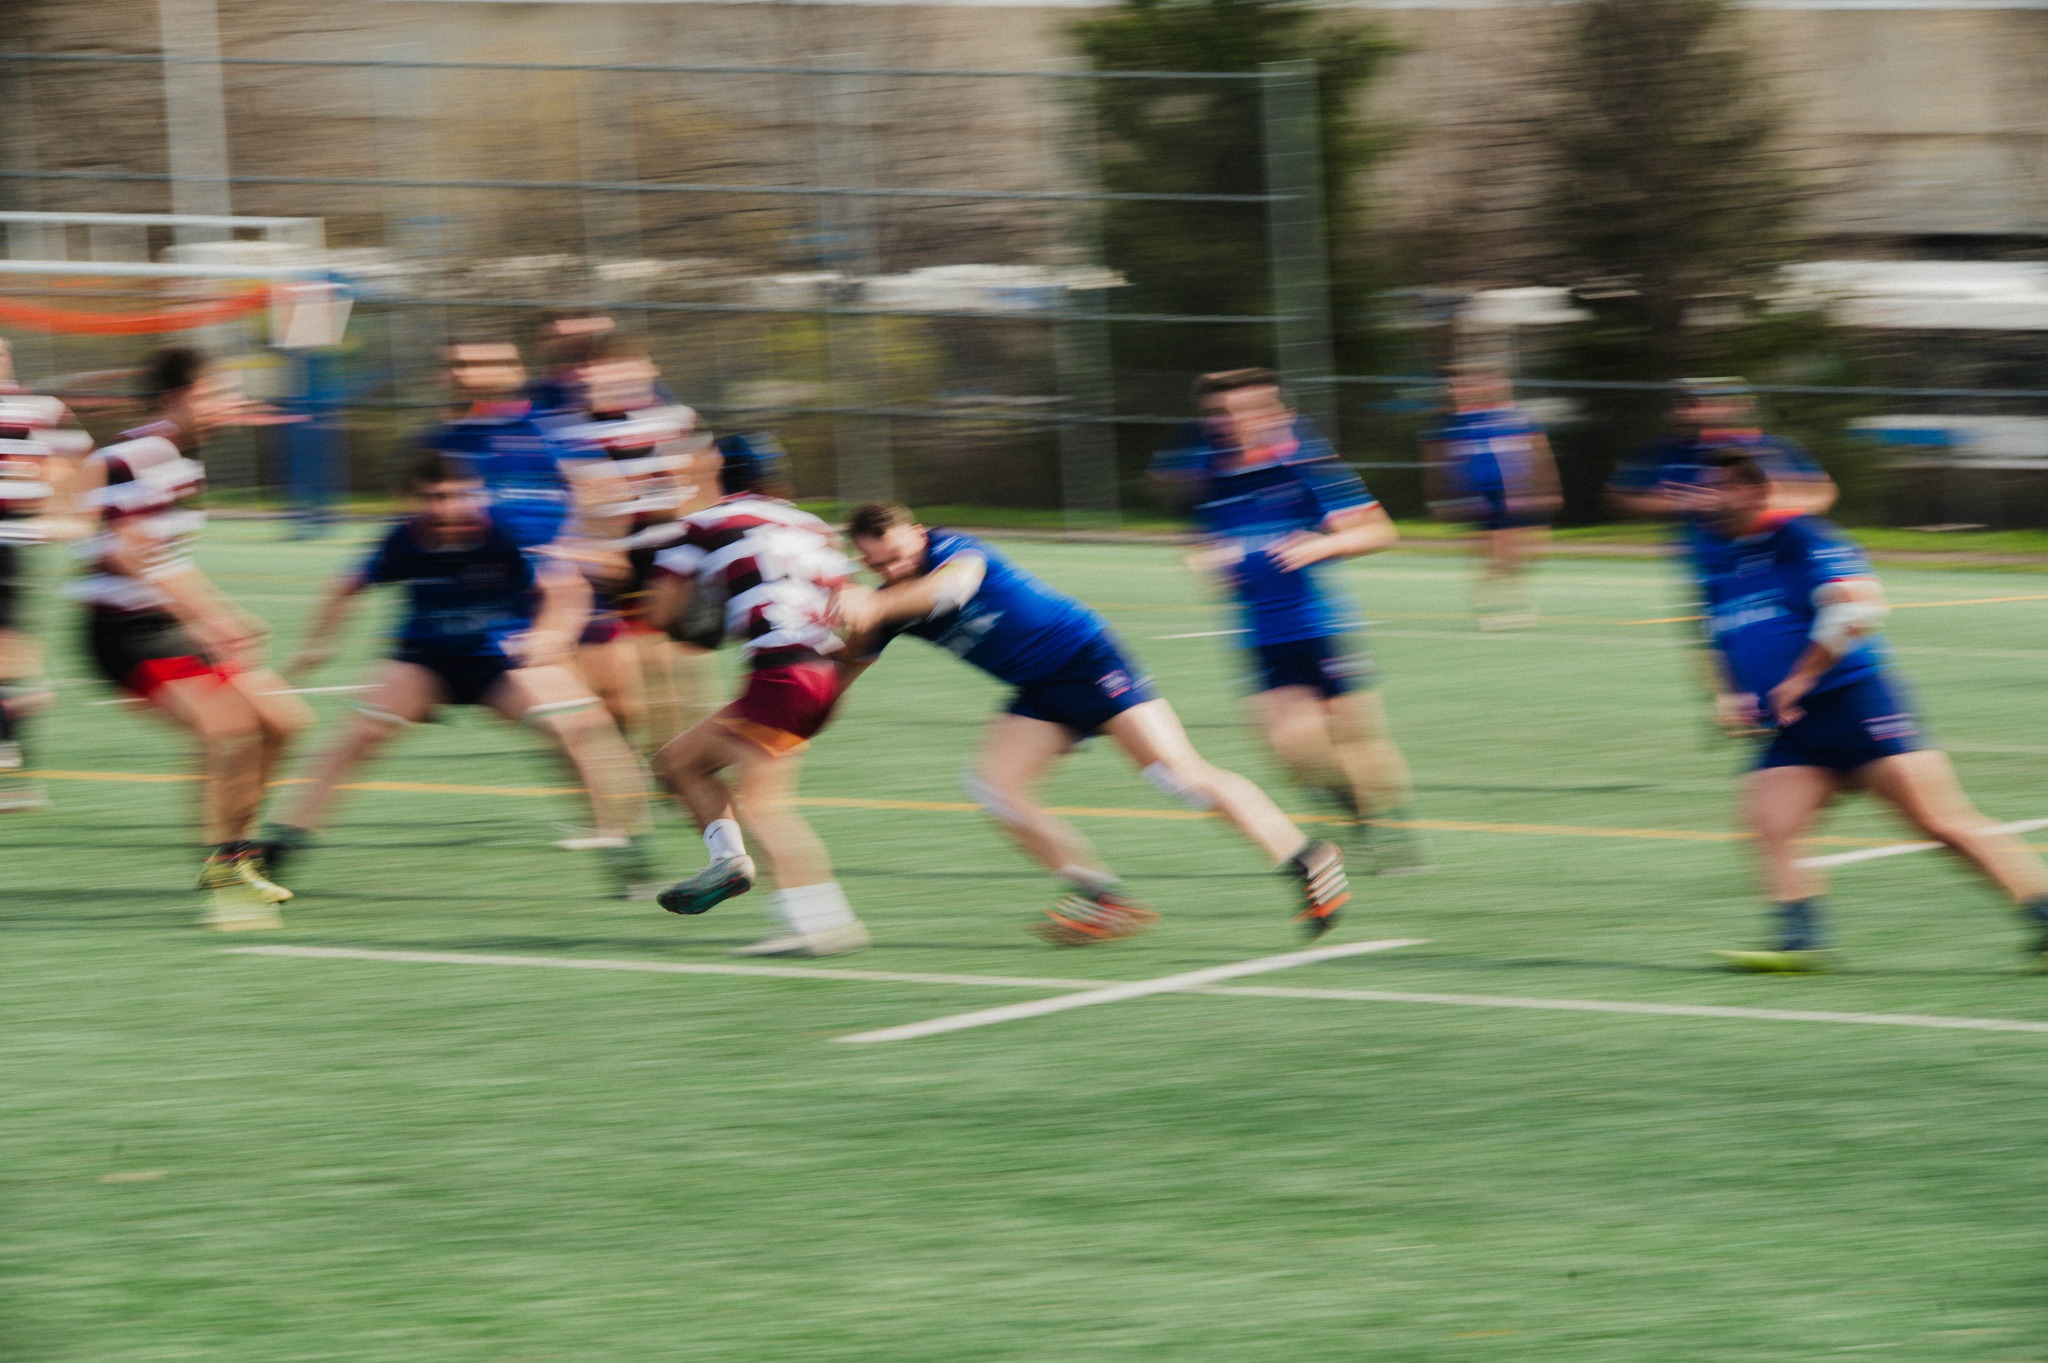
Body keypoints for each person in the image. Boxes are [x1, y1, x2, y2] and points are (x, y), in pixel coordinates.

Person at [841, 499, 1352, 945]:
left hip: (1089, 661)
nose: (895, 568)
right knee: (994, 787)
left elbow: (950, 590)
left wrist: (870, 603)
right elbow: (839, 674)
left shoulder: (953, 549)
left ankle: (1308, 857)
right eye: (879, 565)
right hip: (1042, 691)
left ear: (917, 533)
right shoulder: (885, 603)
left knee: (1181, 776)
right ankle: (1102, 898)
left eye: (901, 555)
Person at [1686, 449, 2048, 972]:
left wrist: (1803, 676)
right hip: (1796, 727)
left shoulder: (1802, 537)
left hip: (1856, 704)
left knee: (1939, 821)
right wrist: (1730, 693)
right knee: (1769, 821)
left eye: (1719, 487)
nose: (1707, 498)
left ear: (1754, 492)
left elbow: (1860, 606)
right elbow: (1720, 635)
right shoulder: (1718, 557)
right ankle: (1801, 942)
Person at [269, 450, 655, 896]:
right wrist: (318, 645)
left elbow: (563, 588)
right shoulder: (405, 539)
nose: (448, 508)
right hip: (425, 659)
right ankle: (282, 850)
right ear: (412, 501)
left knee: (576, 729)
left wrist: (550, 637)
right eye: (434, 497)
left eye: (458, 496)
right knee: (357, 736)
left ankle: (624, 854)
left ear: (475, 495)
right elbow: (346, 586)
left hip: (495, 659)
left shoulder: (497, 535)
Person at [69, 346, 313, 928]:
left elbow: (168, 558)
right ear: (178, 397)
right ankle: (227, 868)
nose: (229, 404)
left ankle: (235, 857)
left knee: (285, 722)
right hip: (125, 632)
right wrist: (210, 622)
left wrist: (225, 614)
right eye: (217, 393)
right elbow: (130, 560)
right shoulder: (141, 457)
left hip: (165, 624)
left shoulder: (182, 460)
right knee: (226, 727)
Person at [1152, 368, 1428, 876]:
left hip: (1319, 626)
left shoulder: (1304, 463)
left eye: (1245, 410)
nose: (1233, 422)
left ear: (1273, 414)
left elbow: (1378, 530)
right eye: (1220, 413)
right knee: (1291, 753)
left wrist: (1323, 544)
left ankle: (1392, 835)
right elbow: (1203, 544)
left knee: (1356, 741)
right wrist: (1206, 562)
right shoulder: (1206, 473)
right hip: (1261, 633)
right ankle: (1359, 811)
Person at [641, 437, 870, 958]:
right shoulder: (813, 528)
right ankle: (728, 861)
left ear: (719, 474)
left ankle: (819, 922)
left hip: (779, 675)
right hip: (825, 674)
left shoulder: (703, 523)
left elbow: (659, 611)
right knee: (678, 762)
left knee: (766, 807)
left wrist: (695, 616)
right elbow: (855, 617)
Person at [549, 335, 722, 759]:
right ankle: (628, 761)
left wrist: (704, 537)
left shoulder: (677, 419)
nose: (591, 377)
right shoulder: (563, 429)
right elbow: (563, 498)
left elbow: (707, 482)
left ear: (641, 369)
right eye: (587, 369)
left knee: (669, 669)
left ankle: (678, 761)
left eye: (605, 366)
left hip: (663, 558)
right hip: (598, 568)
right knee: (613, 693)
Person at [0, 337, 94, 810]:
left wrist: (62, 506)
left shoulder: (36, 406)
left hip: (8, 540)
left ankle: (16, 768)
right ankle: (20, 709)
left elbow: (79, 462)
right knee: (9, 656)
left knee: (7, 652)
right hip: (14, 539)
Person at [1423, 361, 1561, 629]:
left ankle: (1496, 589)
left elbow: (1540, 453)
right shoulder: (1452, 423)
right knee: (1496, 549)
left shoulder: (1517, 417)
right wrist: (1439, 499)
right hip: (1480, 497)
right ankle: (1496, 602)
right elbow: (1436, 463)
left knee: (1536, 548)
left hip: (1518, 494)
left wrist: (1550, 488)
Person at [1608, 377, 1835, 522]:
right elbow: (1621, 498)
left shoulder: (1776, 448)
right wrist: (1684, 504)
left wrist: (1756, 501)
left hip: (1777, 549)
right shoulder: (1663, 452)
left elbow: (1823, 493)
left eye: (1692, 403)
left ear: (1739, 407)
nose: (1681, 411)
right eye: (1680, 404)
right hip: (1708, 559)